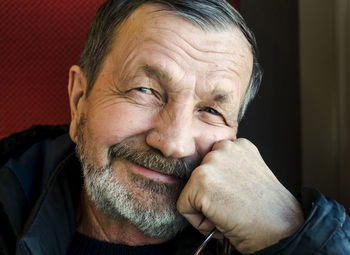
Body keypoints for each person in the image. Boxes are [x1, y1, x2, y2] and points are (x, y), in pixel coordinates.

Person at [0, 0, 349, 254]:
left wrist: (289, 232)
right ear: (80, 101)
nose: (173, 144)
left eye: (212, 110)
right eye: (145, 90)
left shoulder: (274, 237)